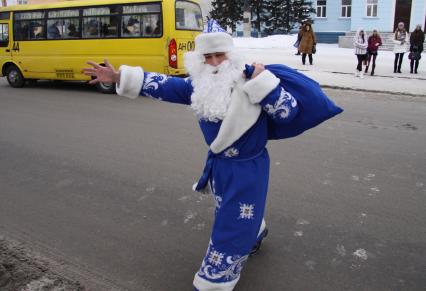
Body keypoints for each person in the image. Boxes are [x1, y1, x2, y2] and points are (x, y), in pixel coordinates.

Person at [84, 22, 300, 291]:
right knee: (232, 212)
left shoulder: (253, 80)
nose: (214, 63)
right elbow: (163, 85)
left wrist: (264, 83)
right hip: (220, 166)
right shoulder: (198, 85)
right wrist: (118, 78)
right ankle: (255, 231)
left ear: (231, 55)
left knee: (231, 227)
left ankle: (214, 281)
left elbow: (287, 113)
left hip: (248, 168)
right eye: (207, 57)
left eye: (219, 55)